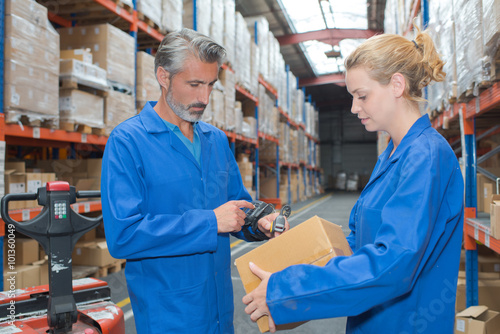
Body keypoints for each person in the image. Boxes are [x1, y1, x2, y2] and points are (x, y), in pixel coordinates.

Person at [243, 27, 464, 333]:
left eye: (362, 96)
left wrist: (289, 290)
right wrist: (297, 260)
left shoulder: (426, 156)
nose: (353, 107)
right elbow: (360, 243)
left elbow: (392, 264)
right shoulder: (392, 154)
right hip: (370, 321)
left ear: (397, 85)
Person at [101, 28, 288, 333]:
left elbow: (237, 208)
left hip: (219, 310)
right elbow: (124, 235)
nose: (204, 97)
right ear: (164, 77)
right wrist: (210, 222)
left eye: (211, 85)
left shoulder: (215, 140)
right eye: (194, 84)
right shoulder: (128, 142)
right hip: (168, 314)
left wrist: (263, 220)